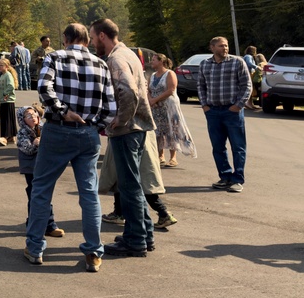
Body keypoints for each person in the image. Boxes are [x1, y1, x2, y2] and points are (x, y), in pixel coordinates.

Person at [27, 22, 114, 272]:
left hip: (57, 129)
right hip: (87, 133)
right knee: (89, 193)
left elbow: (44, 87)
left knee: (42, 187)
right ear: (87, 40)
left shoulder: (55, 56)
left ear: (65, 38)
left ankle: (35, 248)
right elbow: (111, 107)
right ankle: (94, 252)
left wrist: (63, 111)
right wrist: (94, 124)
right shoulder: (101, 63)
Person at [89, 18, 155, 258]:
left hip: (128, 130)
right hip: (138, 128)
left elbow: (128, 90)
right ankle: (144, 234)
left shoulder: (116, 58)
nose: (91, 41)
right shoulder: (128, 54)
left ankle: (135, 241)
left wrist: (121, 119)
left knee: (129, 187)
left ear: (103, 36)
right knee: (133, 184)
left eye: (93, 37)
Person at [198, 36, 252, 193]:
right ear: (212, 47)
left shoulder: (237, 62)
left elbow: (246, 85)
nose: (225, 48)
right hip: (213, 111)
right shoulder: (205, 64)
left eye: (226, 46)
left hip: (232, 112)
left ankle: (237, 179)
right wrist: (205, 105)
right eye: (221, 46)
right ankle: (225, 176)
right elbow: (200, 86)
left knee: (238, 146)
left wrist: (238, 105)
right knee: (218, 147)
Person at [16, 104, 64, 239]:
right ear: (22, 119)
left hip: (45, 167)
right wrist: (36, 144)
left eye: (34, 114)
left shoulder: (44, 129)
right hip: (31, 169)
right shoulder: (22, 133)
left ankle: (50, 225)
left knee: (46, 195)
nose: (33, 117)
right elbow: (27, 149)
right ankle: (32, 224)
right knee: (34, 195)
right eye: (28, 116)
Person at [148, 54, 195, 167]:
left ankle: (173, 158)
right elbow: (148, 89)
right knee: (158, 130)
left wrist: (155, 100)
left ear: (161, 61)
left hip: (168, 106)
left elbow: (171, 90)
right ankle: (160, 156)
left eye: (154, 60)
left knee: (171, 129)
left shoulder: (170, 73)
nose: (151, 62)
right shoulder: (153, 75)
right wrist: (150, 100)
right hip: (155, 107)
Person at [0, 58, 18, 144]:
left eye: (1, 65)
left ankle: (5, 137)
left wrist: (5, 93)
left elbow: (11, 86)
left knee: (7, 119)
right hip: (3, 101)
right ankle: (11, 136)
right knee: (7, 118)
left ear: (7, 66)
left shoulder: (8, 75)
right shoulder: (2, 75)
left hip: (8, 100)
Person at [242, 45, 264, 110]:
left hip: (249, 73)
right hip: (248, 73)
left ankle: (251, 104)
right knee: (250, 88)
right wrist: (257, 67)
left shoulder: (247, 56)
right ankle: (248, 103)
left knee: (251, 89)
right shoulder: (248, 56)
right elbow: (249, 63)